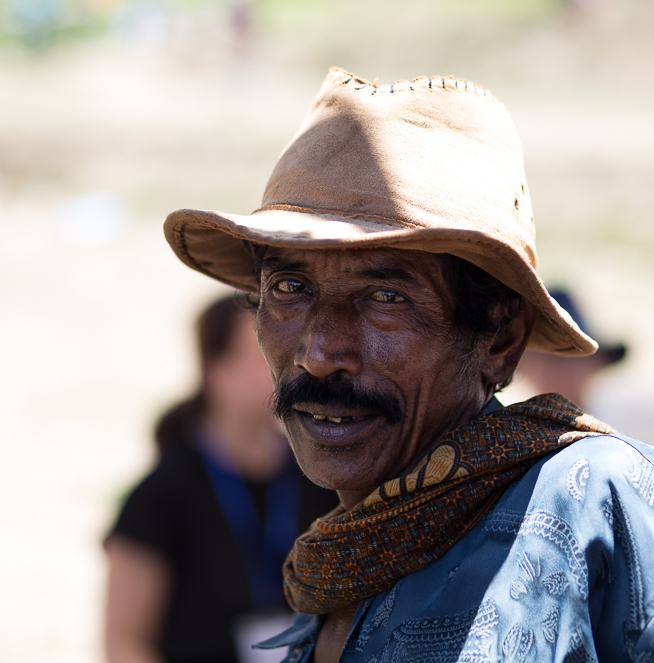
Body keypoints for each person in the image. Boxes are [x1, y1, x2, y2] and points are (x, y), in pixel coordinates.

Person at [162, 69, 654, 662]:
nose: (319, 354)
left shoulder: (595, 494)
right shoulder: (334, 569)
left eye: (386, 298)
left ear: (501, 338)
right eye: (290, 287)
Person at [104, 295, 339, 663]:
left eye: (295, 348)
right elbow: (124, 645)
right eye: (263, 351)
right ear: (216, 371)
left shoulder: (322, 477)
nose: (294, 365)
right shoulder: (160, 495)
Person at [517, 288, 627, 409]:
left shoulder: (619, 414)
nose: (559, 372)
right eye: (550, 360)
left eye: (570, 356)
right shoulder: (510, 418)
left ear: (594, 364)